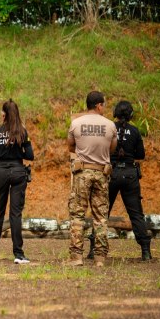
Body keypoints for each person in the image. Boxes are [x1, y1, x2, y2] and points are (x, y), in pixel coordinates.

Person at [87, 101, 151, 261]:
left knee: (102, 212)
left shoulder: (108, 127)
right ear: (130, 115)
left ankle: (93, 250)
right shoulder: (135, 131)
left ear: (115, 113)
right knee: (136, 214)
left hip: (111, 173)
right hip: (130, 174)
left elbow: (101, 149)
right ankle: (146, 251)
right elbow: (141, 155)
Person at [67, 91, 117, 267]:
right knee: (101, 217)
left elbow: (71, 146)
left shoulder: (76, 124)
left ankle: (76, 257)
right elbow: (112, 149)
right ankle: (100, 259)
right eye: (104, 104)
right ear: (98, 105)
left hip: (82, 174)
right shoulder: (110, 125)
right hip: (102, 174)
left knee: (77, 216)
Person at [0, 99, 34, 264]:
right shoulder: (23, 132)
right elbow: (30, 155)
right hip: (19, 172)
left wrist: (0, 152)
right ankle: (19, 254)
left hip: (1, 172)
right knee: (15, 214)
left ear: (4, 115)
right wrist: (18, 151)